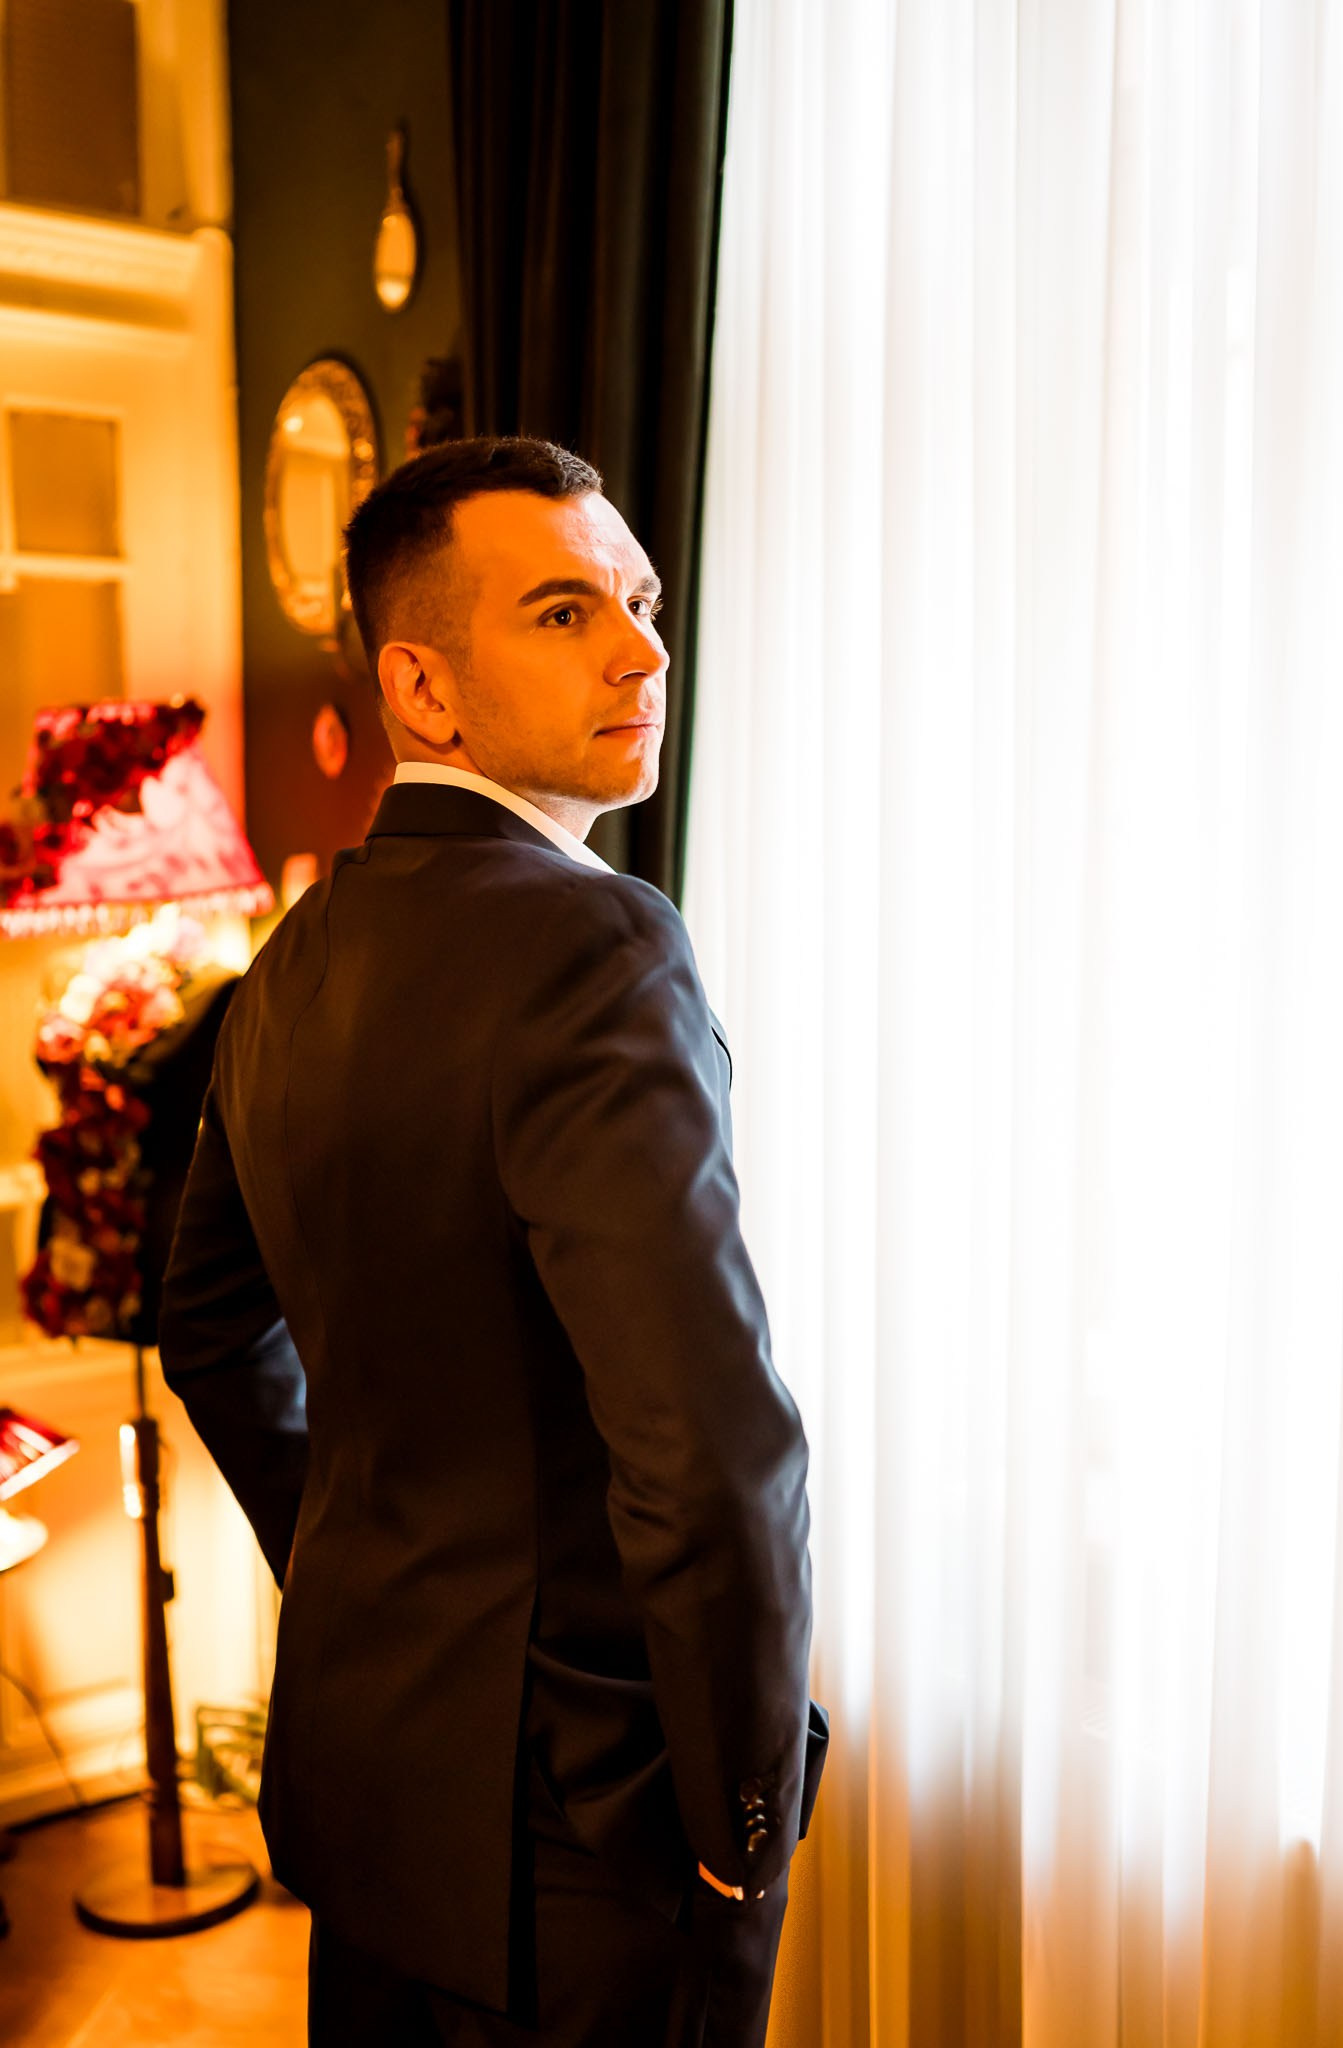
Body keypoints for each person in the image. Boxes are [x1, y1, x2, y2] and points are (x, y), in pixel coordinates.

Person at [159, 436, 825, 2046]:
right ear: (425, 688)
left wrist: (372, 1573)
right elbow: (709, 1450)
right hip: (585, 1834)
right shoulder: (598, 945)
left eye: (640, 602)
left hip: (370, 1779)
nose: (642, 649)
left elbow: (208, 1328)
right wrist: (742, 1827)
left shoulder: (290, 963)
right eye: (564, 611)